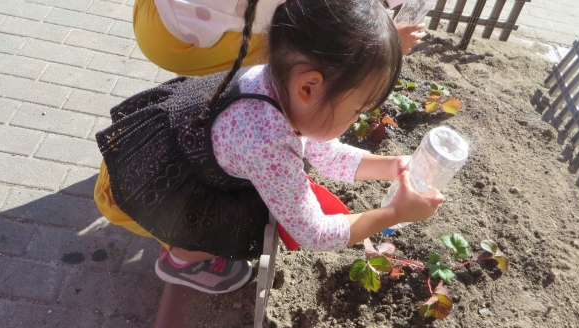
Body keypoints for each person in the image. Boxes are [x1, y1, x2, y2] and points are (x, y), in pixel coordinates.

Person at [94, 0, 444, 294]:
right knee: (248, 218)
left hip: (161, 152)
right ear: (309, 87)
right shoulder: (268, 141)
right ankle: (182, 261)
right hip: (145, 188)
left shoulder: (278, 79)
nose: (357, 120)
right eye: (357, 111)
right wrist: (394, 214)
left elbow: (324, 152)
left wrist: (393, 166)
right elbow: (314, 232)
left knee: (268, 197)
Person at [133, 0, 427, 76]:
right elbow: (335, 40)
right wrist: (388, 44)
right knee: (289, 57)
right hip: (176, 40)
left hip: (156, 11)